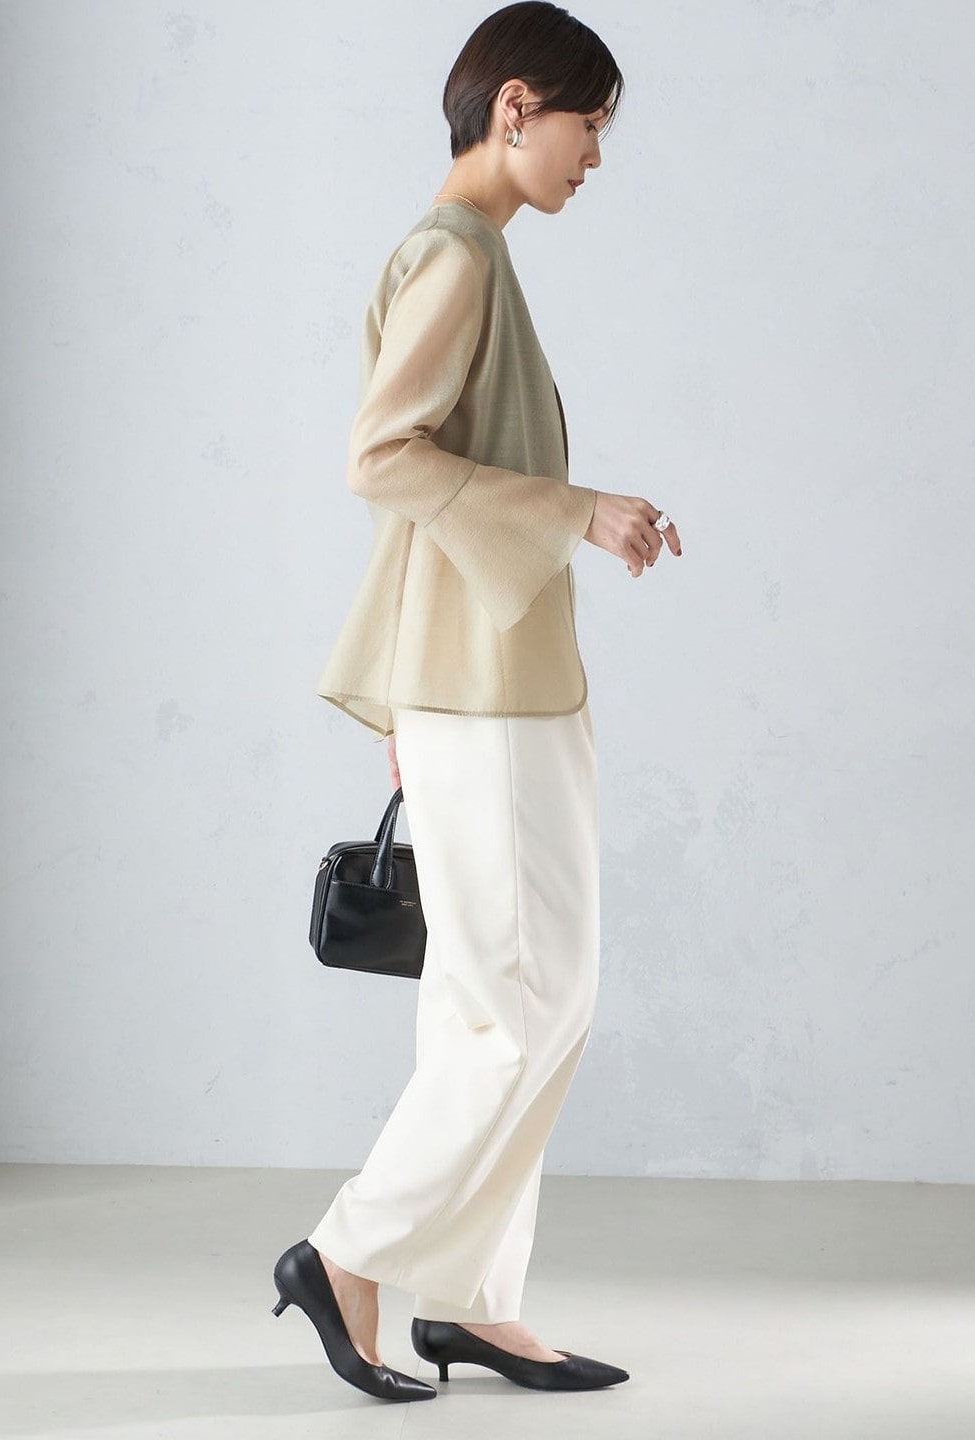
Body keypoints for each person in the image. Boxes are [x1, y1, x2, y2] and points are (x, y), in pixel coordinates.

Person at [272, 1, 681, 1403]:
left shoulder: (472, 254)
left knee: (493, 1003)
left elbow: (423, 487)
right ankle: (350, 1254)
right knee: (525, 998)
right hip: (485, 692)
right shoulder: (455, 256)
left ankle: (473, 1302)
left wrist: (405, 693)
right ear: (517, 108)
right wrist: (580, 509)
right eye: (587, 126)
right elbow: (382, 459)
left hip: (488, 680)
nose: (594, 158)